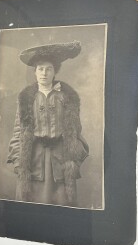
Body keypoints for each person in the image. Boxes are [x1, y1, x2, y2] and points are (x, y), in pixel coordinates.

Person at [6, 41, 88, 206]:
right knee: (32, 207)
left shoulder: (66, 97)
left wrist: (74, 160)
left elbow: (75, 132)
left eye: (49, 69)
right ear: (35, 72)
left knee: (61, 205)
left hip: (59, 160)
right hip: (34, 159)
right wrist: (18, 162)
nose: (44, 73)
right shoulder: (27, 98)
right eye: (40, 69)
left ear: (54, 72)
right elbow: (18, 131)